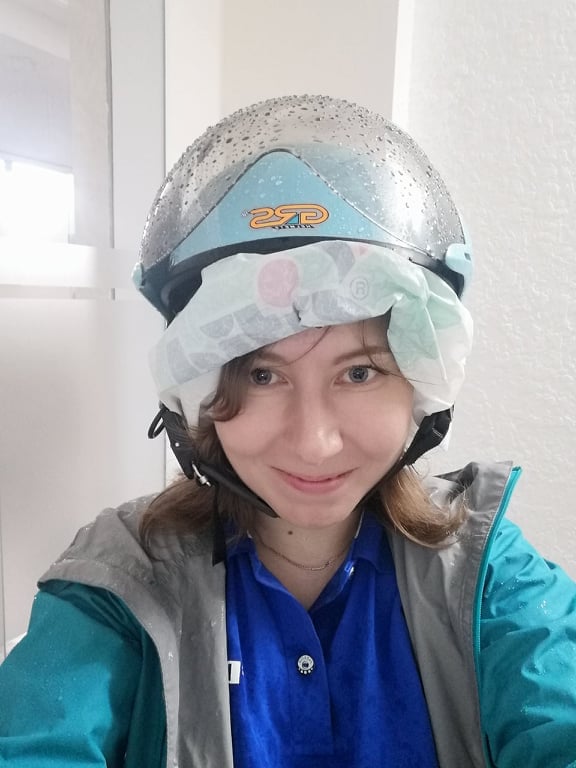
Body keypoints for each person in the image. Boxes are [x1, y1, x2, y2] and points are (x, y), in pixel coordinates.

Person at [0, 94, 575, 768]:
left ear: (422, 384)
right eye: (263, 375)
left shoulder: (486, 577)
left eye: (359, 372)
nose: (314, 442)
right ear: (198, 392)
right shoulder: (122, 584)